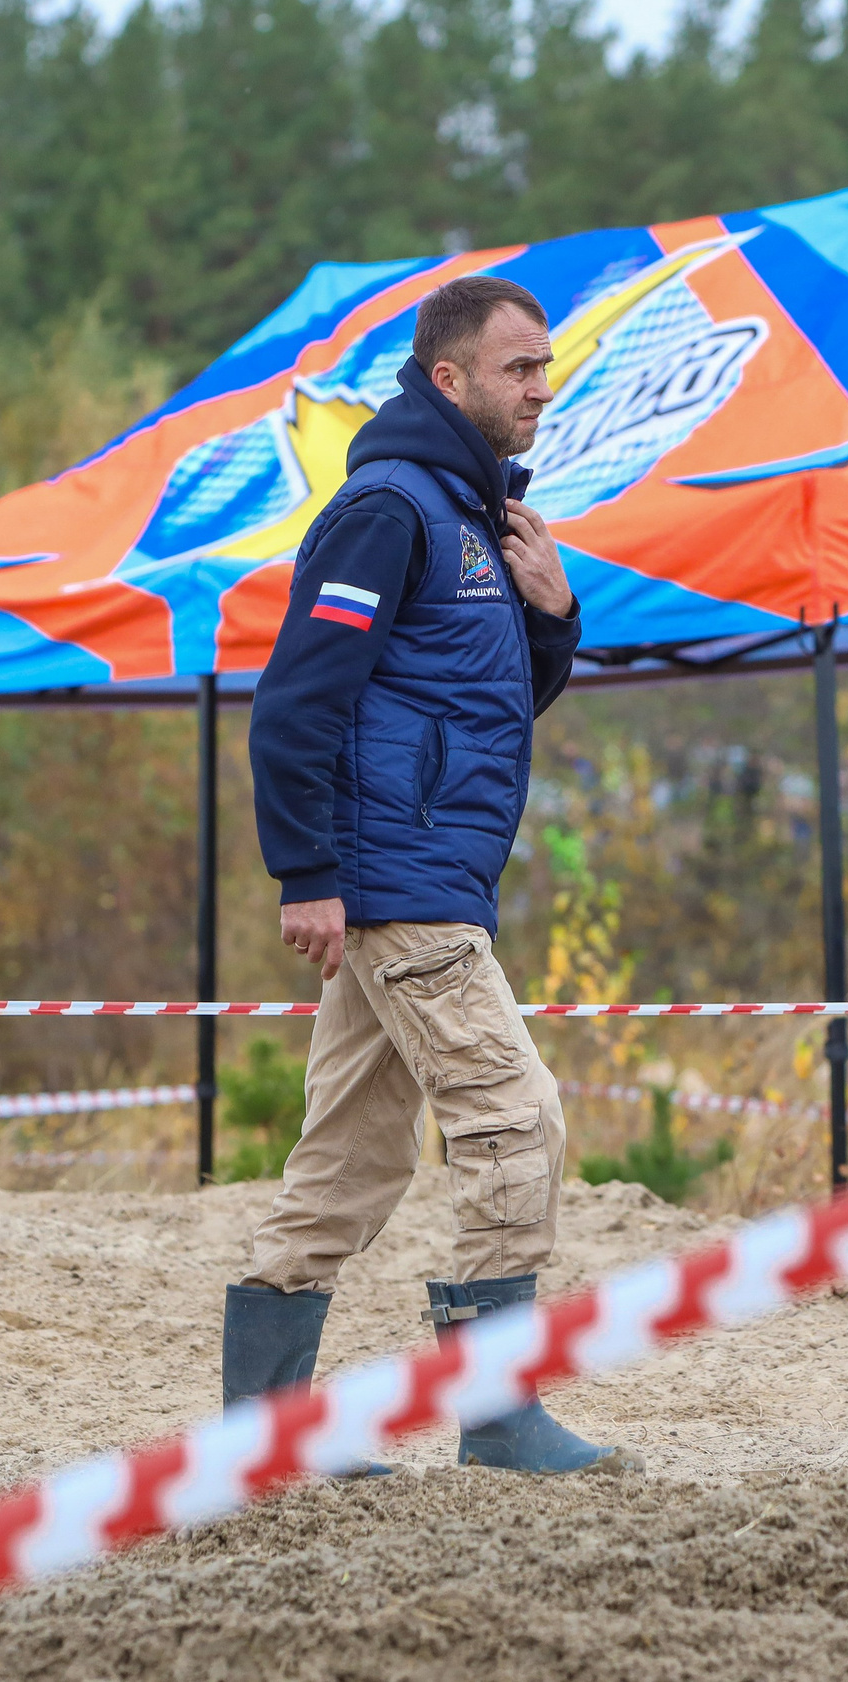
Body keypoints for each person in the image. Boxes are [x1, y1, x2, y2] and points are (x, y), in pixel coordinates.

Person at [223, 275, 630, 1476]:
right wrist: (305, 868)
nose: (541, 389)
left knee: (351, 1159)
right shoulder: (389, 510)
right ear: (447, 378)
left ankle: (265, 1438)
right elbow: (296, 699)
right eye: (518, 368)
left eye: (545, 366)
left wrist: (554, 617)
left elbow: (480, 705)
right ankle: (499, 1418)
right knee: (517, 1121)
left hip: (419, 872)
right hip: (399, 885)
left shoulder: (477, 518)